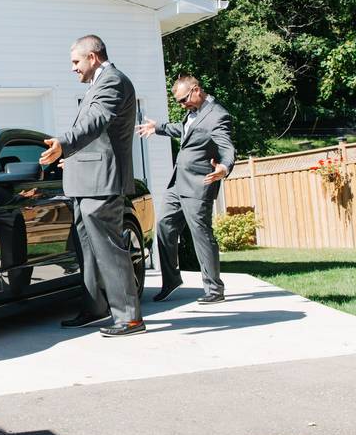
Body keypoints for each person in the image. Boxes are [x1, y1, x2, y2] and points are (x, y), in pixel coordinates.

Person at [40, 35, 144, 337]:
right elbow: (95, 136)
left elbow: (97, 121)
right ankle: (95, 307)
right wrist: (68, 158)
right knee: (88, 250)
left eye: (76, 62)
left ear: (93, 57)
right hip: (84, 180)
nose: (73, 68)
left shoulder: (112, 81)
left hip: (102, 182)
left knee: (109, 250)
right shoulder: (96, 86)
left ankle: (130, 317)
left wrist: (65, 143)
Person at [136, 75, 235, 304]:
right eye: (179, 102)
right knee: (164, 226)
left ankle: (214, 289)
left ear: (196, 90)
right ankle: (171, 280)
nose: (182, 105)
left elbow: (226, 146)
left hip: (199, 185)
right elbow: (185, 130)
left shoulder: (218, 115)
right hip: (177, 183)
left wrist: (224, 167)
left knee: (201, 233)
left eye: (183, 100)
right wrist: (158, 127)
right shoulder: (193, 112)